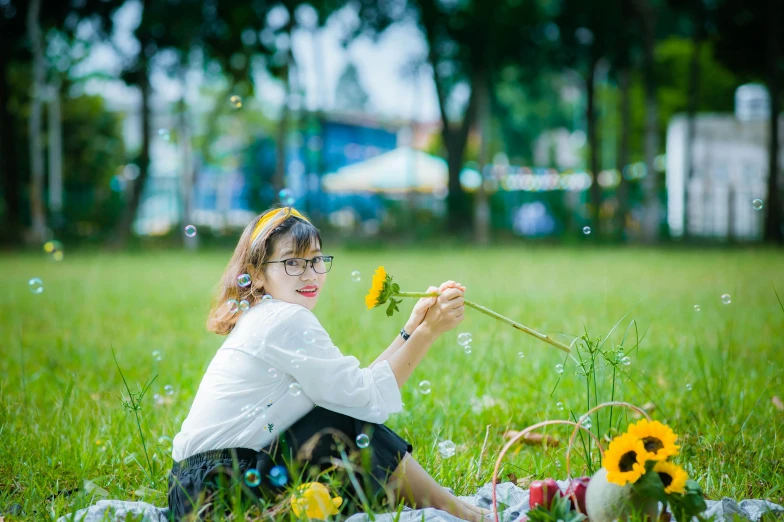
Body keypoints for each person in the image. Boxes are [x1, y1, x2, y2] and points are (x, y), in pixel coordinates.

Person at [168, 206, 491, 521]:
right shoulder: (284, 319)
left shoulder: (265, 315)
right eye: (292, 262)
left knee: (345, 416)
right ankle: (459, 512)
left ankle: (450, 506)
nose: (310, 274)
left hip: (197, 489)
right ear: (257, 274)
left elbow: (353, 394)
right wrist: (429, 331)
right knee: (347, 429)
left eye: (316, 260)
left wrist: (411, 329)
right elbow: (367, 403)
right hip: (220, 487)